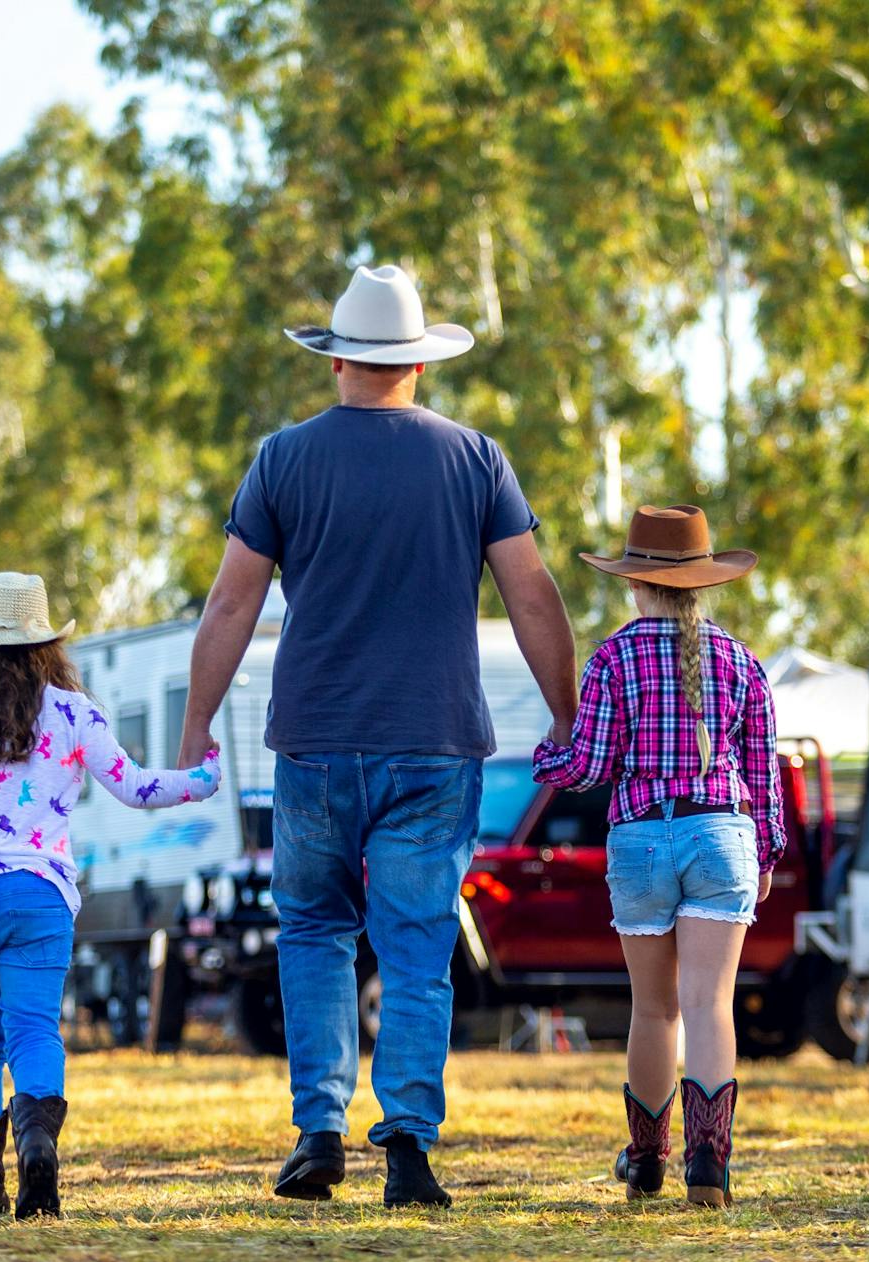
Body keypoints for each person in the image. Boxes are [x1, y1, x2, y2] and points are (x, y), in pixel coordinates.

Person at [177, 264, 578, 1207]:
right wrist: (566, 717)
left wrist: (196, 728)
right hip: (436, 741)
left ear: (336, 363)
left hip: (314, 741)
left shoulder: (283, 458)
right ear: (418, 366)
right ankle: (407, 1147)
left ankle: (318, 1133)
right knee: (416, 945)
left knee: (314, 932)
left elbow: (231, 602)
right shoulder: (476, 460)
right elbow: (534, 597)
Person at [0, 571, 222, 1219]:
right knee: (34, 1029)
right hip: (37, 895)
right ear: (46, 645)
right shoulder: (74, 714)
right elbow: (137, 788)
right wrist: (201, 781)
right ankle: (36, 1143)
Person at [533, 505, 785, 1208]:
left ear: (636, 585)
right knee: (711, 1006)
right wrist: (766, 851)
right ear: (703, 585)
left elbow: (586, 767)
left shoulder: (613, 658)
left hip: (641, 837)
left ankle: (645, 1162)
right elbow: (762, 774)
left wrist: (545, 756)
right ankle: (710, 1165)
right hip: (722, 835)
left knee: (654, 1012)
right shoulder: (742, 661)